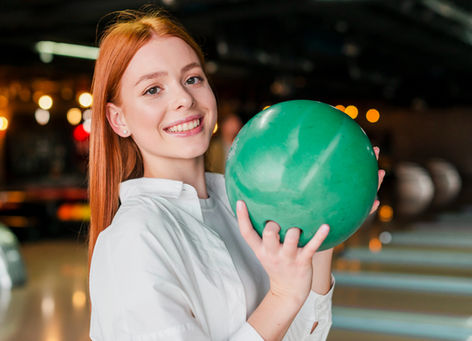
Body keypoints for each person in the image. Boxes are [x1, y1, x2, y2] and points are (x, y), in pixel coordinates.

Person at [88, 8, 384, 341]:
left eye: (192, 78)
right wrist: (283, 296)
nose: (184, 98)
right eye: (153, 90)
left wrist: (323, 225)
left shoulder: (242, 206)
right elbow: (284, 305)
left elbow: (304, 336)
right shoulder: (133, 239)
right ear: (118, 120)